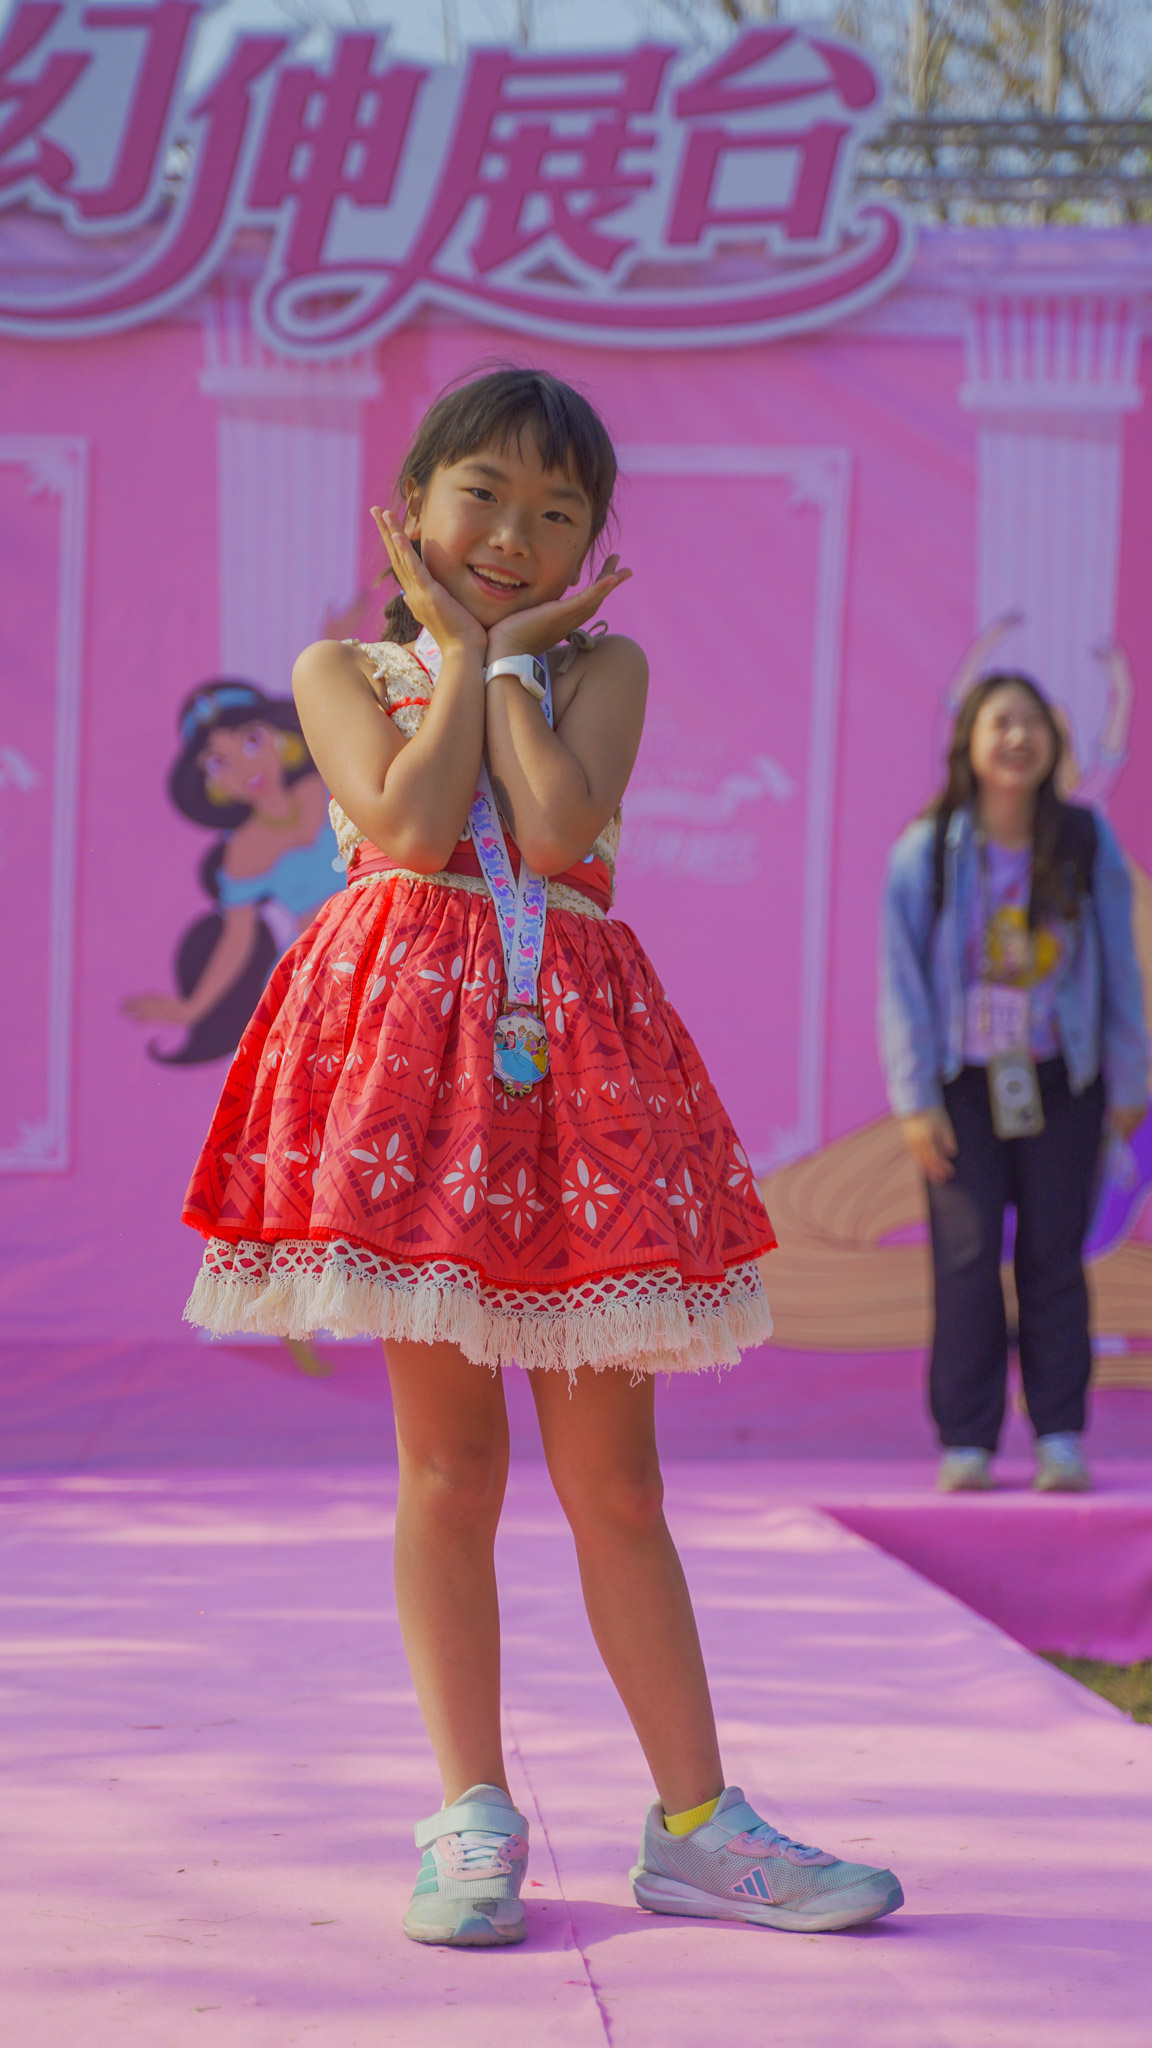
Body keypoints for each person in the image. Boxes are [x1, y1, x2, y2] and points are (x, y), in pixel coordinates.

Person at [182, 368, 904, 1947]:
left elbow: (563, 836)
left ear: (593, 543)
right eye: (485, 496)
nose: (515, 533)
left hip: (573, 1080)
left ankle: (699, 1827)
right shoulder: (339, 668)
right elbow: (411, 828)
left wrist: (508, 662)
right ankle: (471, 1815)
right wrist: (456, 654)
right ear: (412, 507)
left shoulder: (603, 666)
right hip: (417, 1091)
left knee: (617, 1484)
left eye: (557, 511)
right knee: (450, 1468)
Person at [880, 673, 1148, 1494]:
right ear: (969, 740)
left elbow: (1118, 964)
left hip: (1064, 1080)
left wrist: (1129, 1079)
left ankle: (1059, 1436)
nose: (1017, 737)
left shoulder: (1084, 841)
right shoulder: (927, 849)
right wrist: (915, 1100)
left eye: (1033, 722)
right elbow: (902, 983)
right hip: (961, 1087)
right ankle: (968, 1441)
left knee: (1053, 1255)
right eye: (1001, 722)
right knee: (965, 1259)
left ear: (1055, 743)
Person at [123, 682, 342, 1064]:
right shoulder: (243, 852)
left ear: (279, 736)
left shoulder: (329, 781)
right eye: (219, 762)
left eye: (251, 741)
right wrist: (192, 1009)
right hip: (317, 966)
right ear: (212, 784)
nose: (245, 768)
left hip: (388, 924)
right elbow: (237, 937)